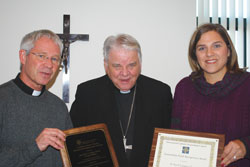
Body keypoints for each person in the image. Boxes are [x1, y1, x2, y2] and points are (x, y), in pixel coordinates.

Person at [70, 34, 172, 167]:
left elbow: (169, 143)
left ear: (140, 64)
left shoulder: (160, 93)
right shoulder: (87, 94)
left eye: (131, 65)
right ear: (106, 66)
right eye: (117, 66)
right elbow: (74, 143)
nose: (125, 73)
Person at [171, 23, 250, 167]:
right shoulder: (184, 88)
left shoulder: (247, 85)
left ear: (228, 50)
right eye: (202, 48)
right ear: (195, 55)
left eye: (216, 46)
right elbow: (175, 137)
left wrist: (245, 146)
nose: (209, 53)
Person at [0, 30, 73, 167]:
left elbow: (70, 156)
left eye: (55, 59)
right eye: (41, 56)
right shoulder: (2, 99)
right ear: (23, 56)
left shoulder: (59, 106)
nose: (49, 65)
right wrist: (35, 146)